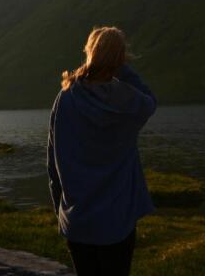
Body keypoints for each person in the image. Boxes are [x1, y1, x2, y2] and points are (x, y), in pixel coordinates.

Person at [47, 26, 157, 276]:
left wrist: (60, 211)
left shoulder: (65, 98)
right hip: (117, 222)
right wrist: (122, 69)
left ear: (89, 52)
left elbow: (52, 162)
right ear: (120, 59)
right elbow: (150, 101)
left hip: (77, 220)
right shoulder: (128, 100)